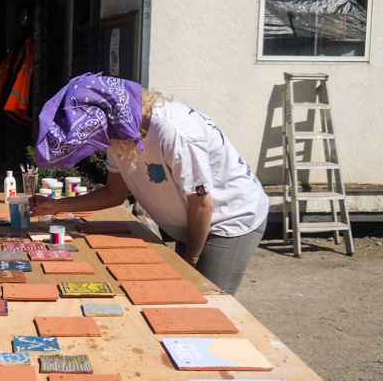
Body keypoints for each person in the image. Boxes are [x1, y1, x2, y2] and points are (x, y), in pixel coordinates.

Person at [33, 74, 268, 295]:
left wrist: (191, 260)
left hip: (231, 217)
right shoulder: (120, 131)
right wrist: (55, 205)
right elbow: (115, 193)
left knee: (207, 299)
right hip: (195, 220)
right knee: (184, 294)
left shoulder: (174, 133)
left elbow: (203, 205)